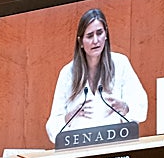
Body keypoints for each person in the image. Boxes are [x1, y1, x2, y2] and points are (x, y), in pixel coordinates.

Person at [45, 8, 148, 142]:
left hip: (115, 148)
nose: (96, 41)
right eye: (89, 36)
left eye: (99, 33)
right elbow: (52, 128)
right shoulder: (67, 73)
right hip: (79, 152)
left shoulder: (120, 63)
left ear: (106, 35)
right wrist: (69, 117)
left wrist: (125, 108)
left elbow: (141, 108)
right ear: (80, 41)